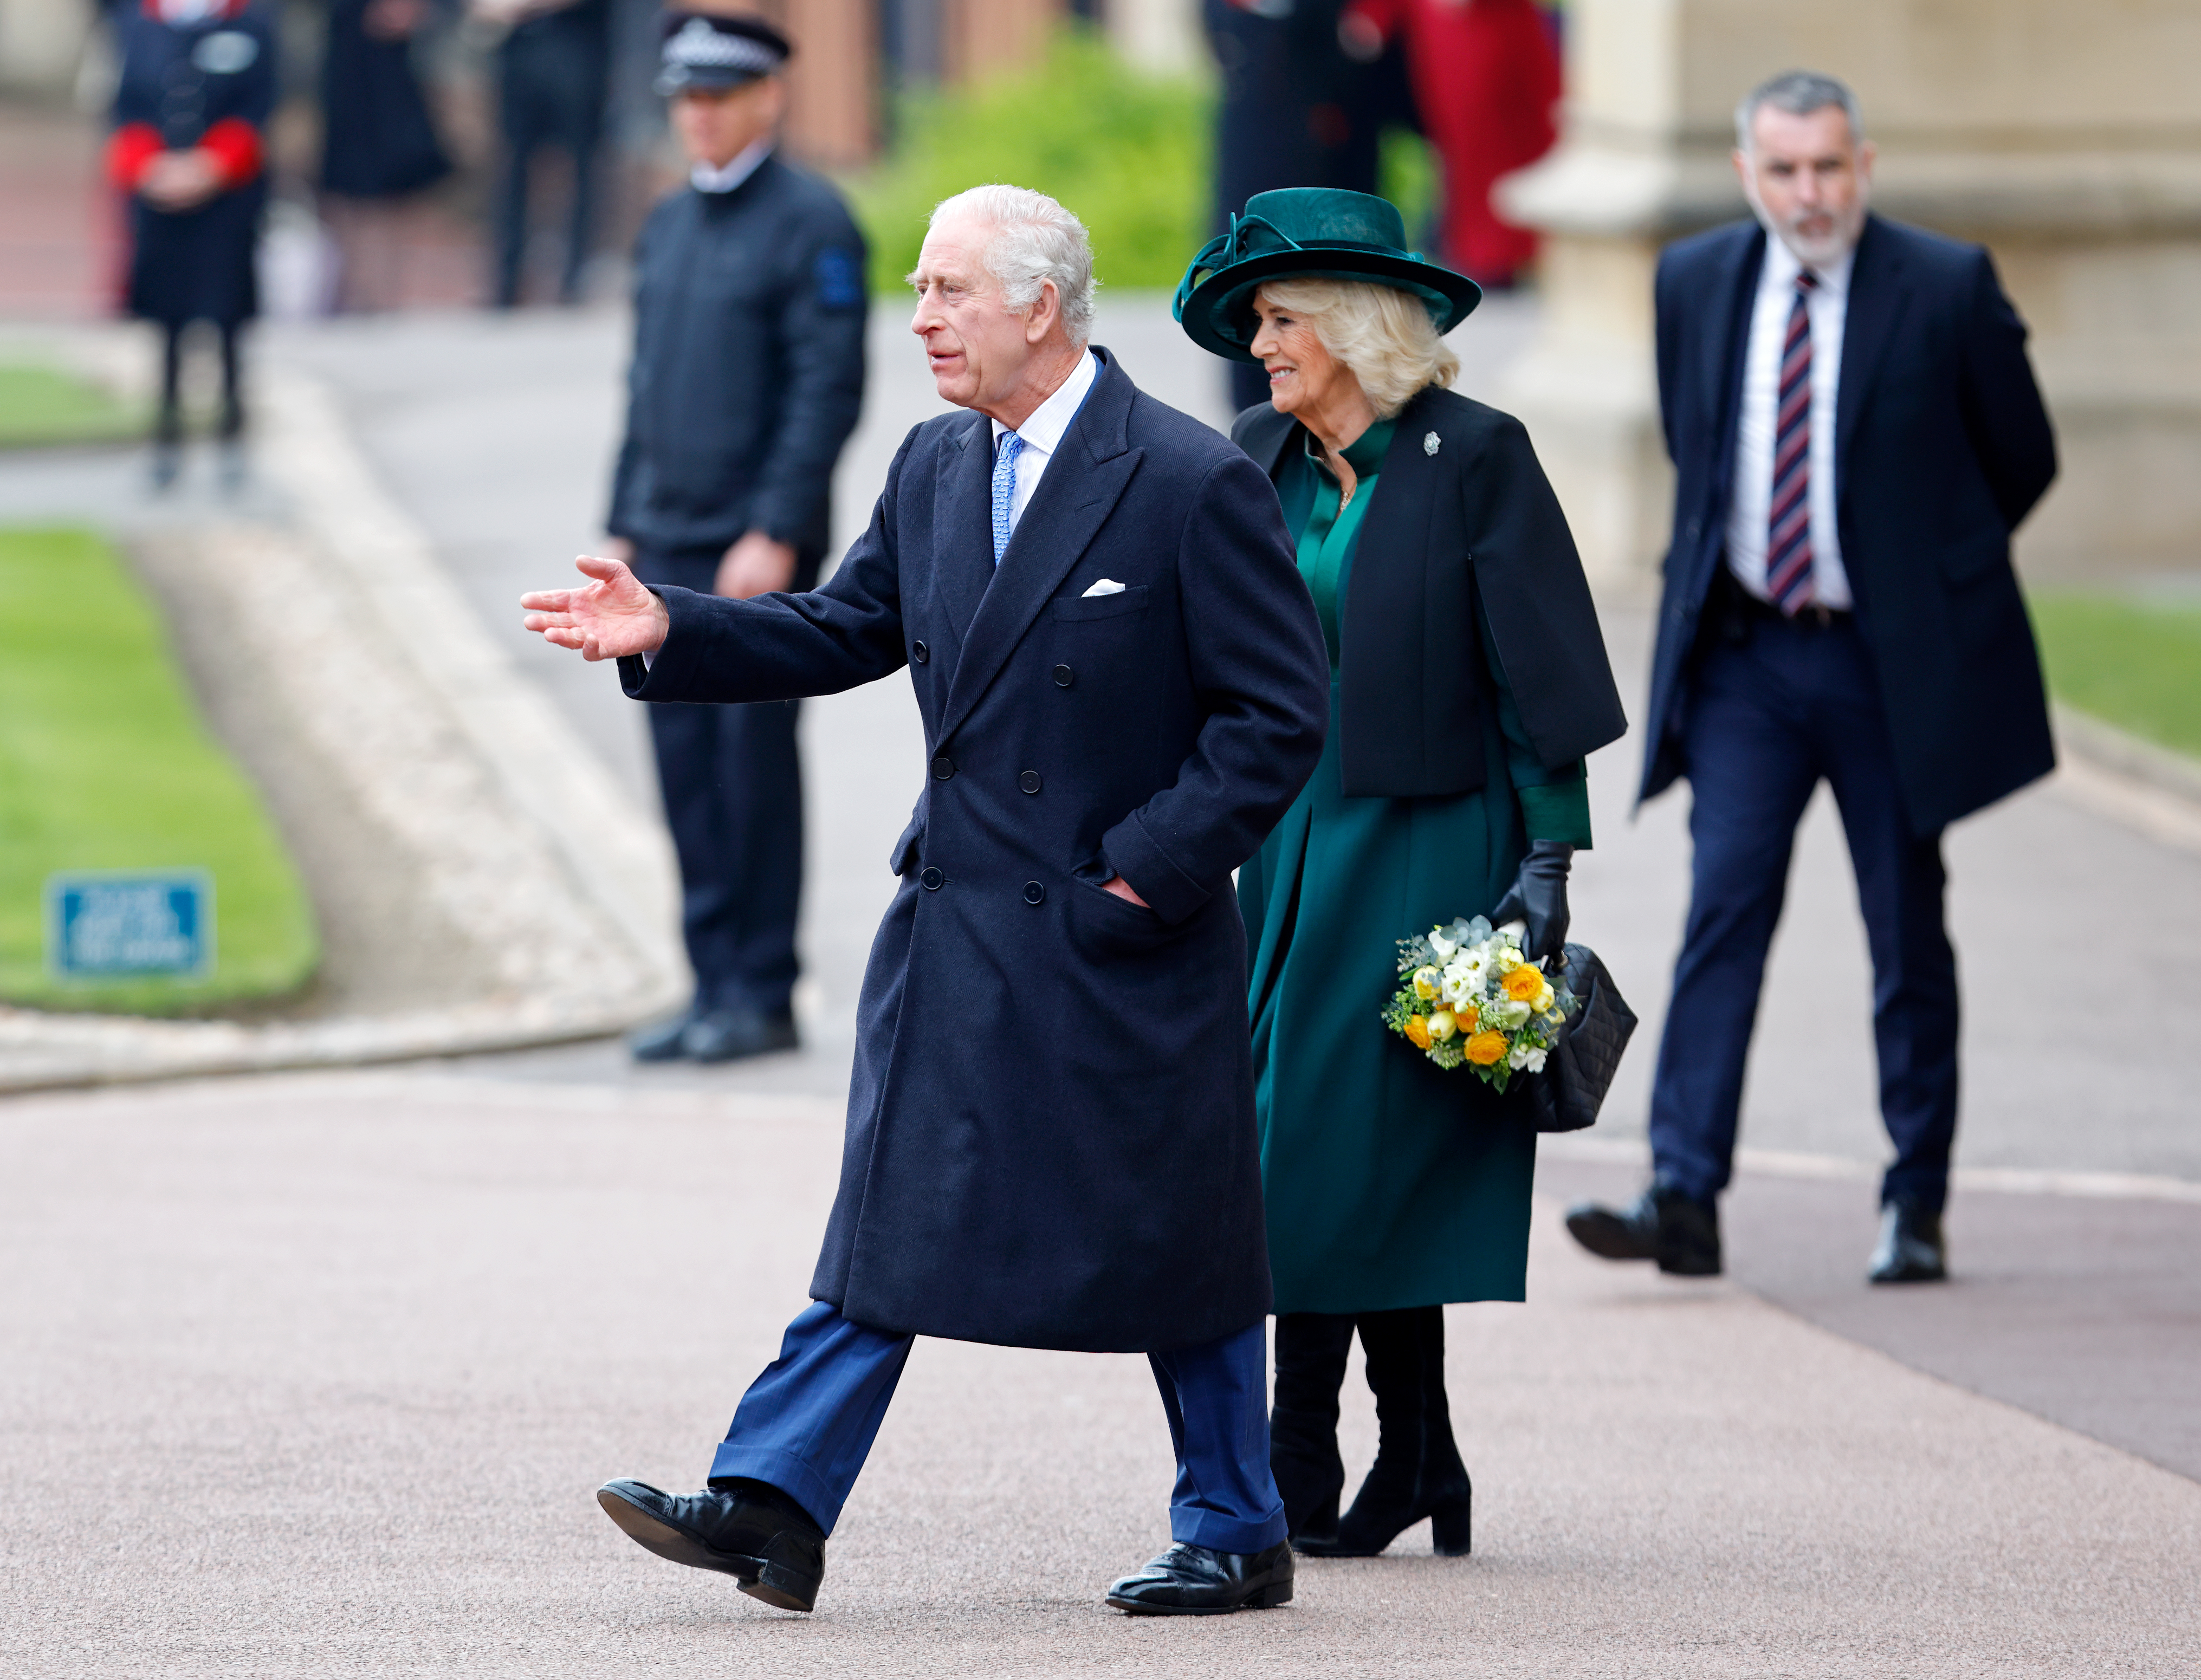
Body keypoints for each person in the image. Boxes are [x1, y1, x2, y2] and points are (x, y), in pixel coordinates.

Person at [520, 185, 1332, 1614]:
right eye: (917, 289)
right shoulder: (934, 463)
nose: (919, 318)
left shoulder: (1188, 477)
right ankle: (772, 1499)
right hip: (956, 916)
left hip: (1118, 930)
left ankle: (1236, 1518)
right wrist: (676, 624)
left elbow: (1275, 719)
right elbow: (842, 628)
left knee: (1175, 1232)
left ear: (1038, 304)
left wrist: (1141, 867)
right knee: (894, 1209)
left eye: (948, 290)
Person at [1175, 187, 1626, 1554]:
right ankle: (1400, 1452)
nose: (1260, 346)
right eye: (1256, 322)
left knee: (1371, 1155)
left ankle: (1312, 1454)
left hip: (1435, 841)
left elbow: (1536, 670)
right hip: (1291, 846)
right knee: (1296, 1150)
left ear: (1356, 326)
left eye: (1281, 320)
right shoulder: (1260, 457)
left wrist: (1549, 859)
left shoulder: (1476, 455)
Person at [1565, 72, 2057, 1287]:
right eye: (1785, 170)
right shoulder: (1694, 280)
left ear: (1863, 164)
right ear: (1748, 174)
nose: (1810, 191)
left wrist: (1928, 568)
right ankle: (1682, 1188)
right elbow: (1701, 444)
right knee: (1722, 910)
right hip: (1750, 658)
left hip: (1892, 667)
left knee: (1905, 931)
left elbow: (2022, 455)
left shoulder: (1943, 286)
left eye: (1830, 167)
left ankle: (1916, 1198)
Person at [604, 11, 867, 1065]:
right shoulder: (669, 224)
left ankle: (762, 989)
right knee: (682, 765)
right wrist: (622, 515)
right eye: (685, 99)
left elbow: (825, 390)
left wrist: (777, 529)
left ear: (768, 96)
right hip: (664, 537)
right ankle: (710, 976)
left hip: (750, 548)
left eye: (717, 97)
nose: (698, 118)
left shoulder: (812, 222)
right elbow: (643, 384)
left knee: (750, 763)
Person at [107, 0, 278, 489]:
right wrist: (151, 168)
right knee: (168, 322)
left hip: (225, 202)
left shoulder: (249, 24)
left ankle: (231, 434)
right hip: (159, 198)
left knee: (226, 317)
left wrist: (210, 167)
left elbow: (258, 108)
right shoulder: (140, 24)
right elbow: (125, 109)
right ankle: (167, 436)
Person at [1338, 0, 1561, 288]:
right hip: (1447, 30)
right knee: (1466, 144)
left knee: (1524, 137)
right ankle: (1483, 257)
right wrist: (1375, 15)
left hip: (1500, 24)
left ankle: (1514, 253)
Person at [318, 0, 453, 313]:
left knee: (394, 172)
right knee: (349, 179)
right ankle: (355, 288)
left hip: (391, 63)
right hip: (349, 53)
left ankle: (385, 292)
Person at [473, 0, 610, 306]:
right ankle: (505, 285)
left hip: (575, 45)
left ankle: (574, 280)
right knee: (511, 169)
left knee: (582, 168)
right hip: (516, 47)